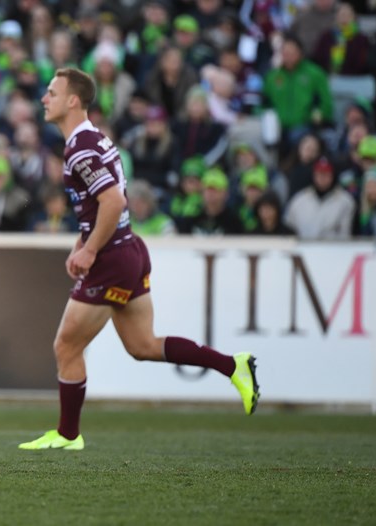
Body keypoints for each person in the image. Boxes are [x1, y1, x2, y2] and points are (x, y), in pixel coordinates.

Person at [19, 69, 260, 451]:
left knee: (66, 346)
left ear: (73, 101)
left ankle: (68, 434)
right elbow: (100, 203)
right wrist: (81, 243)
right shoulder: (95, 139)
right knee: (143, 346)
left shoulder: (81, 147)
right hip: (128, 249)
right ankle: (234, 366)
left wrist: (91, 249)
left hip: (112, 257)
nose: (44, 99)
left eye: (51, 92)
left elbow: (114, 201)